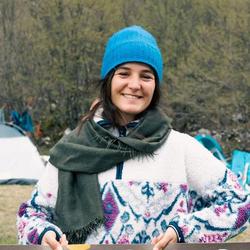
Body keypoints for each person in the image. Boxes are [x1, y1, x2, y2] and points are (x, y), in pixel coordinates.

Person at [17, 25, 250, 250]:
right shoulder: (71, 150)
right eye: (124, 73)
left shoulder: (180, 148)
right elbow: (30, 215)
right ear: (109, 80)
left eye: (146, 76)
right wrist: (44, 233)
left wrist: (184, 231)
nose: (135, 84)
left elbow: (241, 203)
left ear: (155, 86)